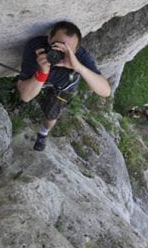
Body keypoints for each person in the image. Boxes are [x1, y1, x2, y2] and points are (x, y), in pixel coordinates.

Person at [17, 21, 111, 151]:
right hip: (42, 77)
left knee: (52, 114)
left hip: (65, 85)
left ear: (76, 50)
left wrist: (78, 67)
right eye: (57, 45)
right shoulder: (37, 47)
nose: (60, 52)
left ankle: (43, 133)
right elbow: (26, 96)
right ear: (49, 39)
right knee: (34, 89)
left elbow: (105, 91)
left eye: (67, 49)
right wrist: (43, 71)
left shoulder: (80, 56)